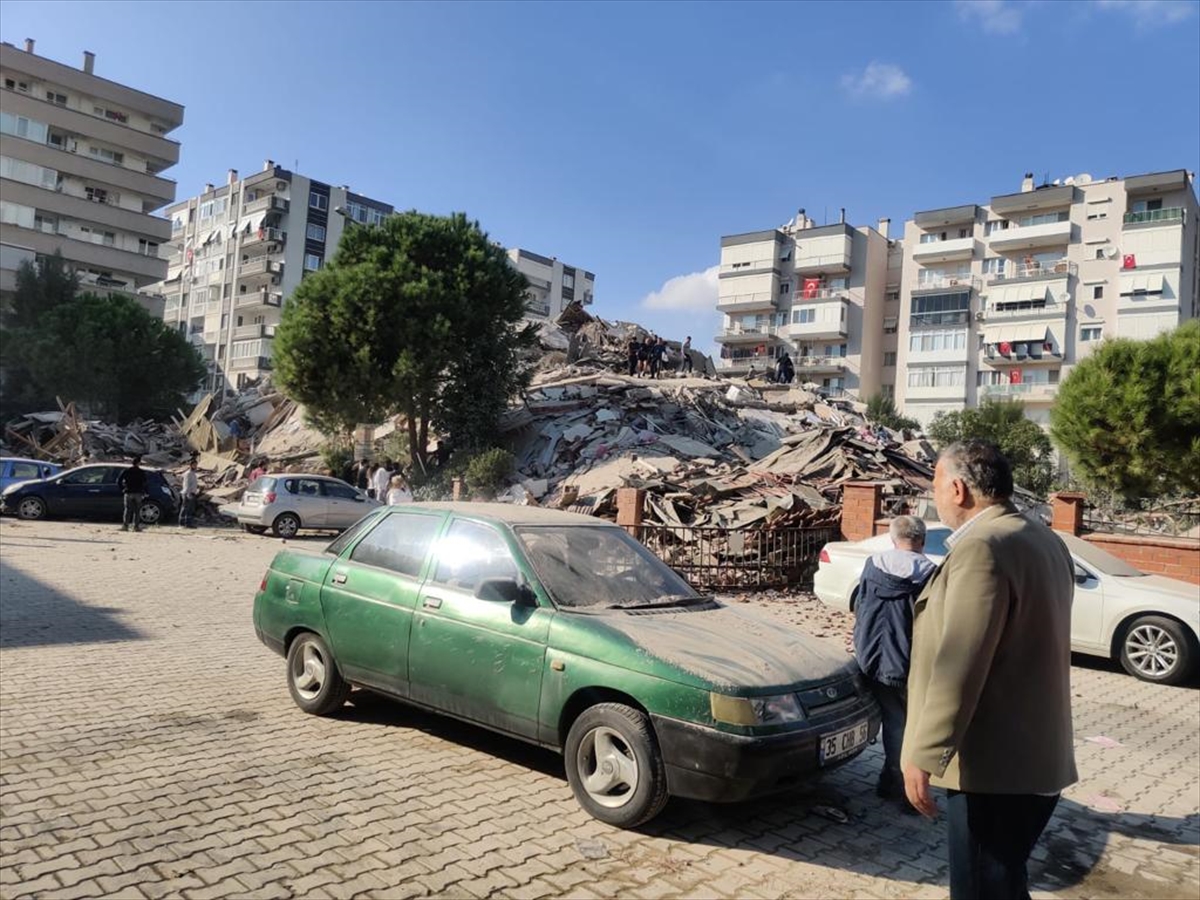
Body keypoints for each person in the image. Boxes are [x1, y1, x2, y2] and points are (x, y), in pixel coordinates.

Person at [902, 440, 1076, 900]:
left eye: (935, 484)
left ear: (957, 489)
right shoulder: (1041, 537)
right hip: (1036, 761)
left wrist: (923, 753)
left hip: (993, 771)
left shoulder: (983, 548)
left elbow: (961, 661)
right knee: (1006, 886)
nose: (933, 495)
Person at [853, 516, 934, 805]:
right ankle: (903, 786)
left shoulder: (873, 565)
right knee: (904, 723)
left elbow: (860, 607)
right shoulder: (931, 575)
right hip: (907, 663)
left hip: (871, 656)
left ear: (892, 538)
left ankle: (891, 778)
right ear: (922, 541)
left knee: (892, 719)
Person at [118, 455, 147, 532]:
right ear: (138, 463)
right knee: (137, 511)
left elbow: (119, 480)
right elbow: (145, 482)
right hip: (138, 493)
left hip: (128, 492)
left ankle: (125, 526)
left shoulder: (126, 471)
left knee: (127, 510)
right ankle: (136, 527)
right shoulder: (141, 472)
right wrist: (144, 491)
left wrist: (122, 488)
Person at [178, 458, 200, 528]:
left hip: (192, 493)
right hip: (187, 493)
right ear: (191, 465)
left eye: (196, 465)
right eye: (194, 465)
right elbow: (187, 485)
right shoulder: (188, 474)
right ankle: (181, 524)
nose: (196, 466)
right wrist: (188, 494)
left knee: (190, 509)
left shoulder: (193, 474)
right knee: (185, 508)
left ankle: (188, 524)